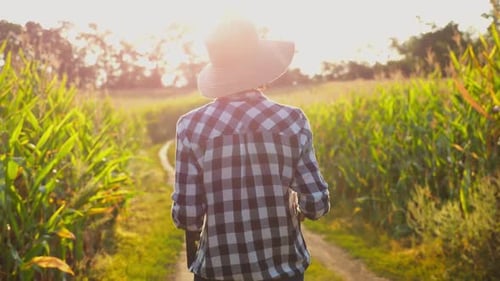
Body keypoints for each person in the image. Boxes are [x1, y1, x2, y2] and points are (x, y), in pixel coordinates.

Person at [171, 18, 330, 281]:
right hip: (283, 271)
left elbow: (187, 216)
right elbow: (316, 204)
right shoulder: (292, 121)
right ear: (260, 66)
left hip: (218, 271)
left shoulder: (190, 126)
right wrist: (294, 209)